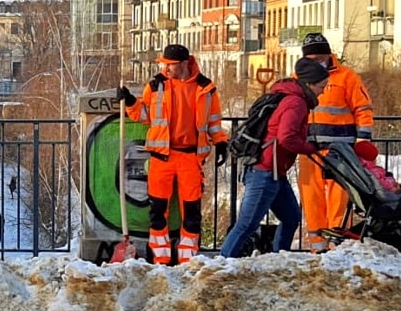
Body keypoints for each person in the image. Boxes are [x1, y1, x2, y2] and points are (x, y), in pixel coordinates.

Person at [118, 44, 228, 265]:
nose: (166, 68)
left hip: (191, 157)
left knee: (192, 211)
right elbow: (145, 115)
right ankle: (160, 257)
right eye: (164, 64)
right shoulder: (156, 85)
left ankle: (188, 258)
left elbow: (214, 120)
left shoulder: (206, 88)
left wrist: (221, 142)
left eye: (170, 65)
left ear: (185, 63)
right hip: (161, 157)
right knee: (158, 210)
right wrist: (130, 101)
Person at [220, 59, 329, 258]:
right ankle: (222, 264)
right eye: (322, 86)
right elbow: (286, 137)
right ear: (310, 84)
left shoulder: (287, 96)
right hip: (266, 170)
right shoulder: (296, 103)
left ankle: (280, 259)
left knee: (291, 216)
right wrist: (310, 148)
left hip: (274, 170)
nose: (323, 91)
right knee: (247, 224)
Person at [295, 33, 375, 252]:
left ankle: (337, 247)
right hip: (309, 150)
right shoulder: (298, 78)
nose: (316, 62)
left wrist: (363, 140)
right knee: (312, 201)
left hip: (341, 150)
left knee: (339, 200)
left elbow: (363, 109)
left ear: (328, 55)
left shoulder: (347, 77)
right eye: (311, 58)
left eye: (320, 56)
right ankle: (317, 248)